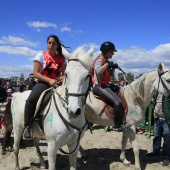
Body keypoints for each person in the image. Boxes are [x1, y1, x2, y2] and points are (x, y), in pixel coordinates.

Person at [22, 35, 67, 140]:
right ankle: (27, 127)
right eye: (49, 43)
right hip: (43, 83)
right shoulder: (41, 55)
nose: (50, 45)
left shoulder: (62, 59)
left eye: (53, 43)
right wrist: (49, 80)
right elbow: (36, 73)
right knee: (31, 100)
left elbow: (64, 74)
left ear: (57, 45)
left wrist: (61, 78)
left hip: (57, 84)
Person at [91, 41, 124, 129]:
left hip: (106, 85)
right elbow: (97, 71)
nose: (113, 54)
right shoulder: (99, 60)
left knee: (122, 91)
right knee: (117, 102)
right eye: (111, 52)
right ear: (105, 51)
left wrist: (113, 68)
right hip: (99, 86)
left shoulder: (106, 61)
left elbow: (110, 75)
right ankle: (118, 125)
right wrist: (106, 65)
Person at [146, 93, 170, 166]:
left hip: (166, 119)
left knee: (167, 139)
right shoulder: (157, 92)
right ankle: (156, 151)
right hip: (157, 118)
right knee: (156, 136)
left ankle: (166, 157)